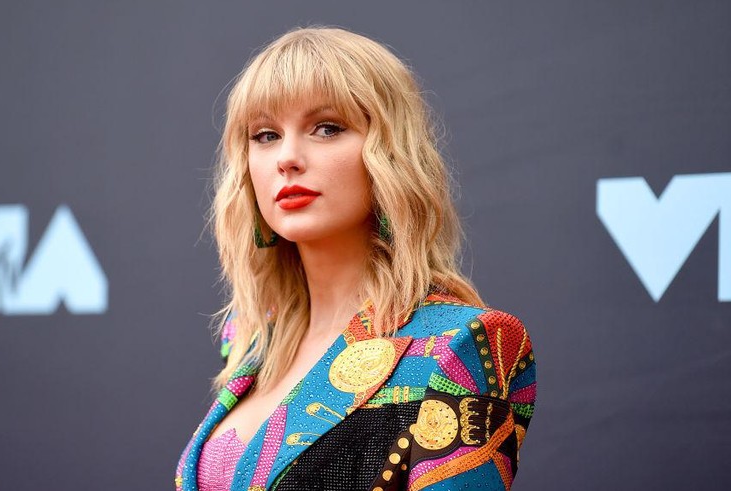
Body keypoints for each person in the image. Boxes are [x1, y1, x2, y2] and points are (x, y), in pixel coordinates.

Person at [175, 26, 536, 491]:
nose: (287, 157)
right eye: (265, 135)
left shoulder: (462, 346)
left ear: (389, 153)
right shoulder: (249, 340)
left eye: (327, 128)